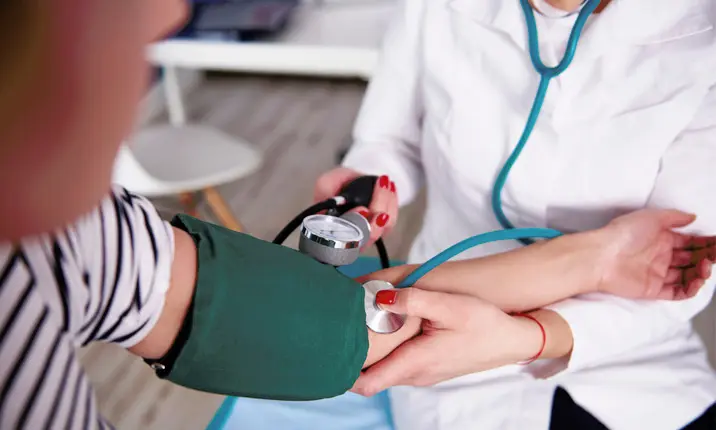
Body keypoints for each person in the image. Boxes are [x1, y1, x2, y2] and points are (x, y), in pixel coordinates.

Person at [0, 1, 712, 430]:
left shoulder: (82, 241)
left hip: (626, 359)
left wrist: (534, 332)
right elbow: (344, 320)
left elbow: (682, 276)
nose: (170, 16)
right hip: (450, 346)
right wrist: (594, 257)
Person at [316, 0, 716, 428]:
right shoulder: (435, 8)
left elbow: (684, 266)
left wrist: (528, 337)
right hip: (442, 334)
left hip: (626, 347)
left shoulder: (702, 32)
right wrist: (368, 185)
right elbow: (386, 141)